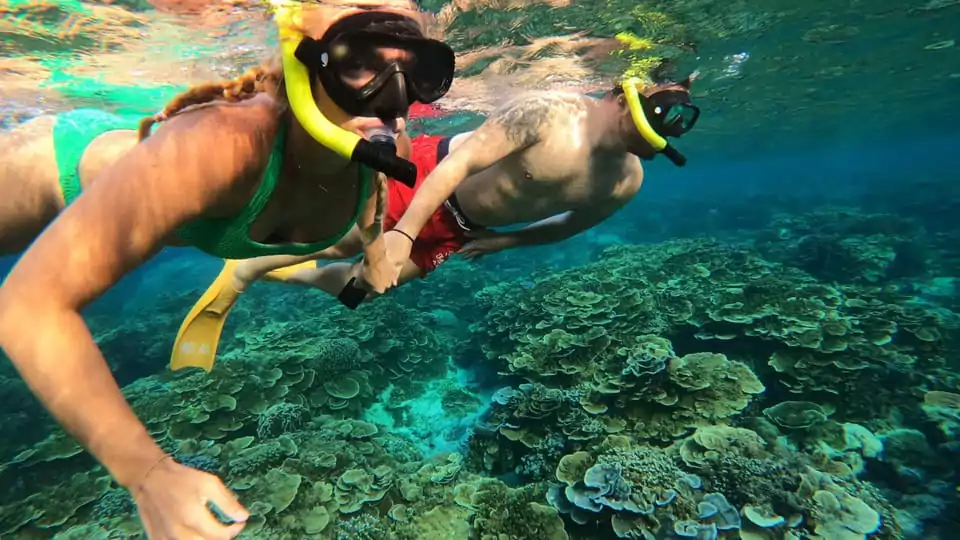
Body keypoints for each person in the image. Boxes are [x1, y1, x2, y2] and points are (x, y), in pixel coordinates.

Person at [0, 0, 454, 538]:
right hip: (47, 173)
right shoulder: (225, 143)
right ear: (303, 58)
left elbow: (373, 193)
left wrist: (376, 252)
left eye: (418, 71)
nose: (392, 100)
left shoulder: (381, 142)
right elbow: (29, 306)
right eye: (361, 63)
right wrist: (147, 474)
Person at [171, 71, 701, 369]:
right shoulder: (550, 113)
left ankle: (281, 271)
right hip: (429, 174)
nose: (668, 120)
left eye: (679, 118)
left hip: (463, 227)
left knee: (366, 289)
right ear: (622, 92)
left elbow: (566, 225)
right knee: (340, 244)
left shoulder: (625, 181)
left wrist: (503, 244)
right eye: (663, 104)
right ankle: (241, 271)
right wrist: (400, 232)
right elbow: (461, 164)